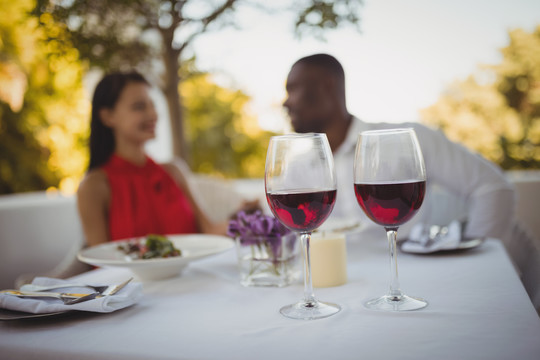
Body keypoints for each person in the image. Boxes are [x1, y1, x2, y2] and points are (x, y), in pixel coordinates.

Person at [283, 53, 516, 242]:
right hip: (339, 294)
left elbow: (493, 188)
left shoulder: (410, 140)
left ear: (327, 86)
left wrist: (479, 258)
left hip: (412, 288)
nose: (286, 102)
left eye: (292, 89)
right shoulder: (299, 166)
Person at [77, 72, 231, 247]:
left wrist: (245, 220)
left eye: (153, 105)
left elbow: (209, 231)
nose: (153, 114)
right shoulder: (94, 186)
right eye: (139, 106)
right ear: (107, 116)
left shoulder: (174, 171)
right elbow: (100, 259)